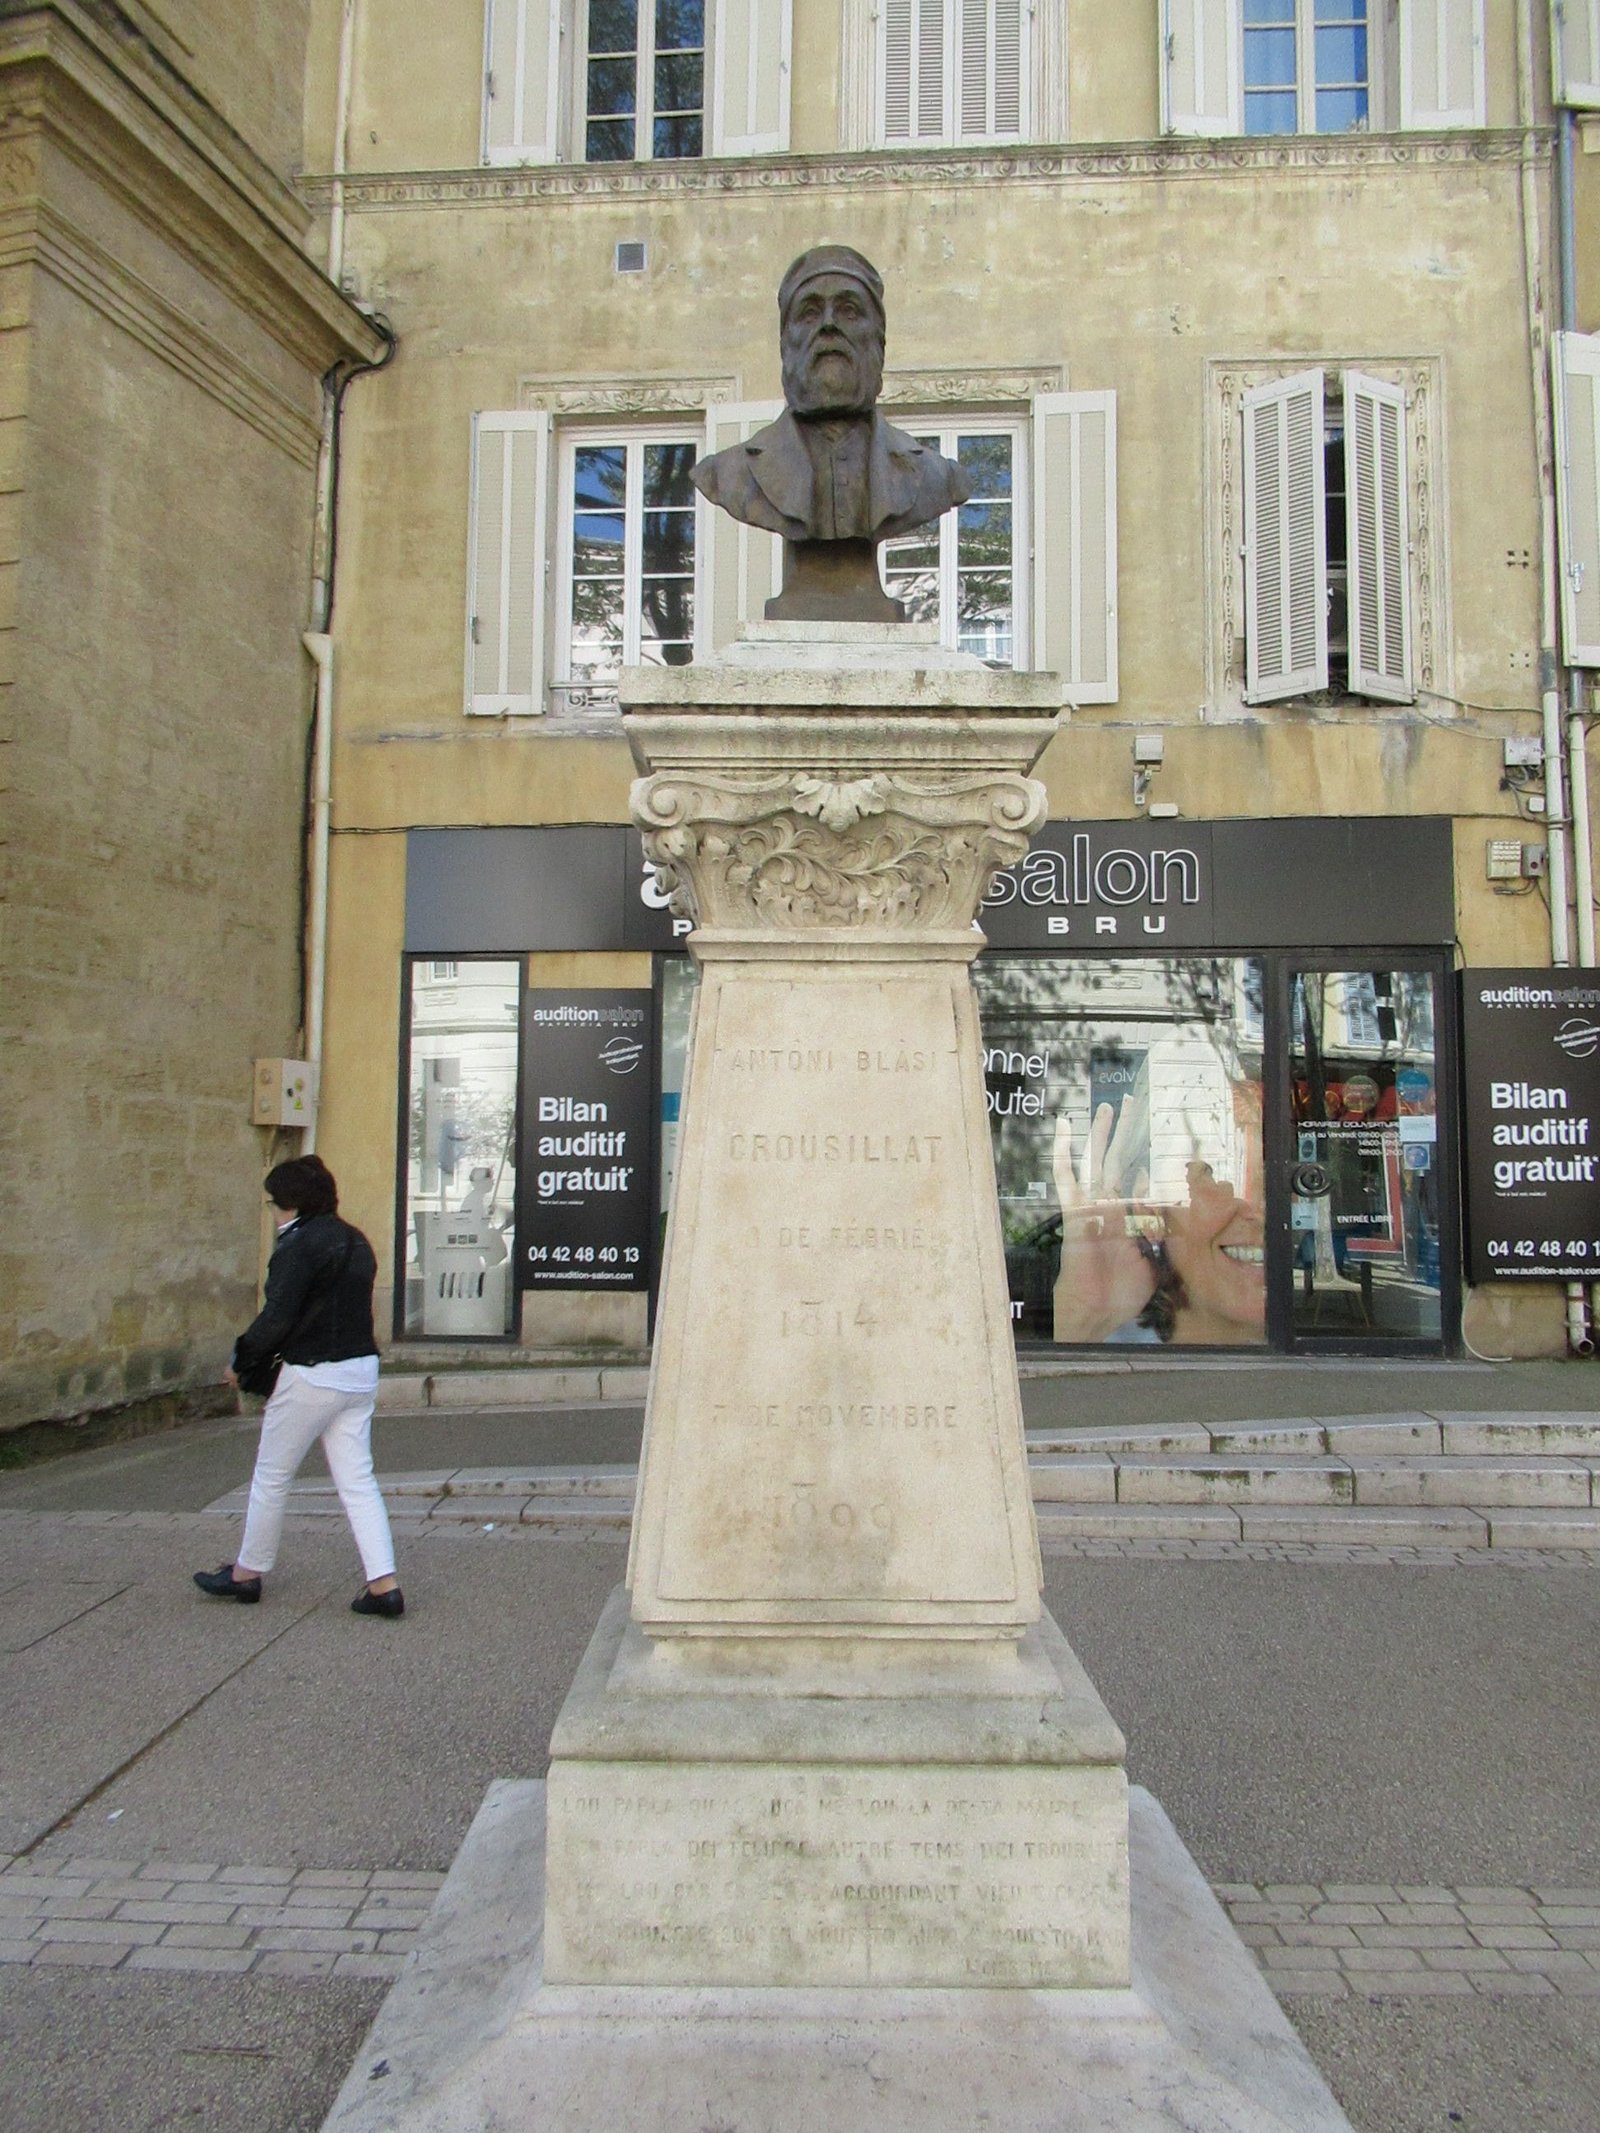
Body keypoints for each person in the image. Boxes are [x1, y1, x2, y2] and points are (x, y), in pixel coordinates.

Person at [193, 1155, 403, 1617]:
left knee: (272, 1476)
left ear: (291, 1205)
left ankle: (247, 1574)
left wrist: (240, 1360)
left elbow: (277, 1317)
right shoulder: (356, 1241)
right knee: (358, 1480)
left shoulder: (298, 1245)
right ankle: (383, 1583)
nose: (272, 1212)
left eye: (274, 1204)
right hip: (360, 1370)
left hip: (311, 1373)